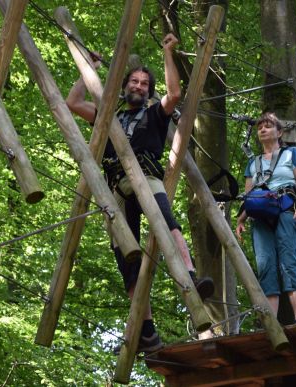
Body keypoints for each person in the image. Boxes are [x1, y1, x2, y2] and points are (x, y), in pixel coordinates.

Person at [66, 33, 214, 353]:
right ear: (124, 87)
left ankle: (190, 277)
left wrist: (167, 52)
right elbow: (73, 103)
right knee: (128, 258)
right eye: (134, 81)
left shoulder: (154, 114)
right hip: (117, 189)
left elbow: (174, 93)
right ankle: (145, 330)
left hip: (146, 177)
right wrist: (88, 68)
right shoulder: (110, 117)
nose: (138, 86)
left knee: (167, 223)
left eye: (145, 83)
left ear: (149, 91)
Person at [235, 112, 296, 324]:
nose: (263, 130)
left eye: (268, 126)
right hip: (260, 218)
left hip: (286, 210)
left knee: (289, 262)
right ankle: (269, 322)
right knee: (265, 264)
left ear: (279, 132)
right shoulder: (253, 163)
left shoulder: (292, 153)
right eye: (260, 128)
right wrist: (241, 219)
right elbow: (249, 196)